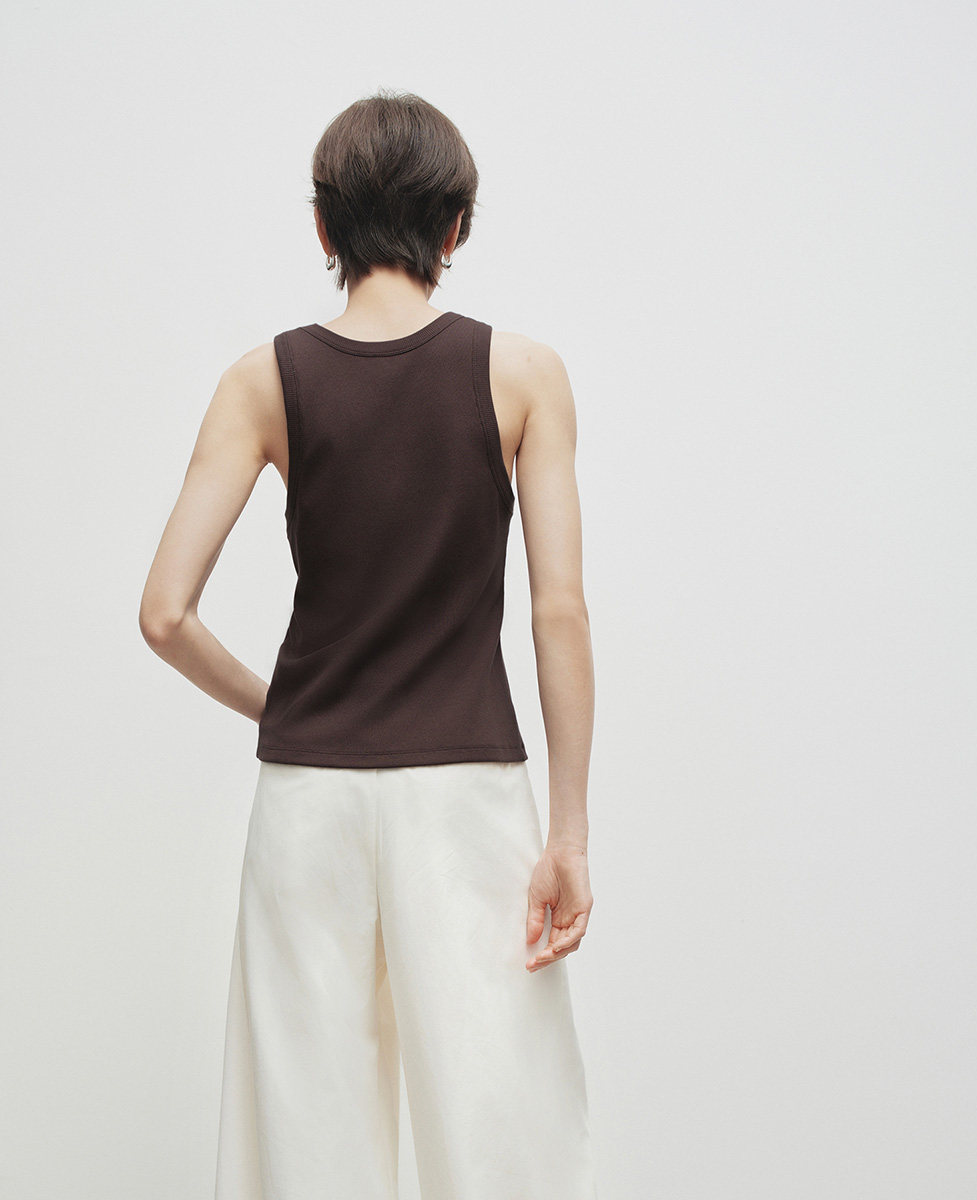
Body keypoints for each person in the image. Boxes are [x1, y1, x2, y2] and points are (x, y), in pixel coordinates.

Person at [139, 88, 598, 1200]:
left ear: (323, 226)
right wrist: (570, 832)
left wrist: (284, 705)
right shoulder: (523, 375)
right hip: (468, 795)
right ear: (455, 227)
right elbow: (559, 612)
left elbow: (165, 614)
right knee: (500, 1132)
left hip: (310, 801)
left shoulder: (261, 381)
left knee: (307, 1136)